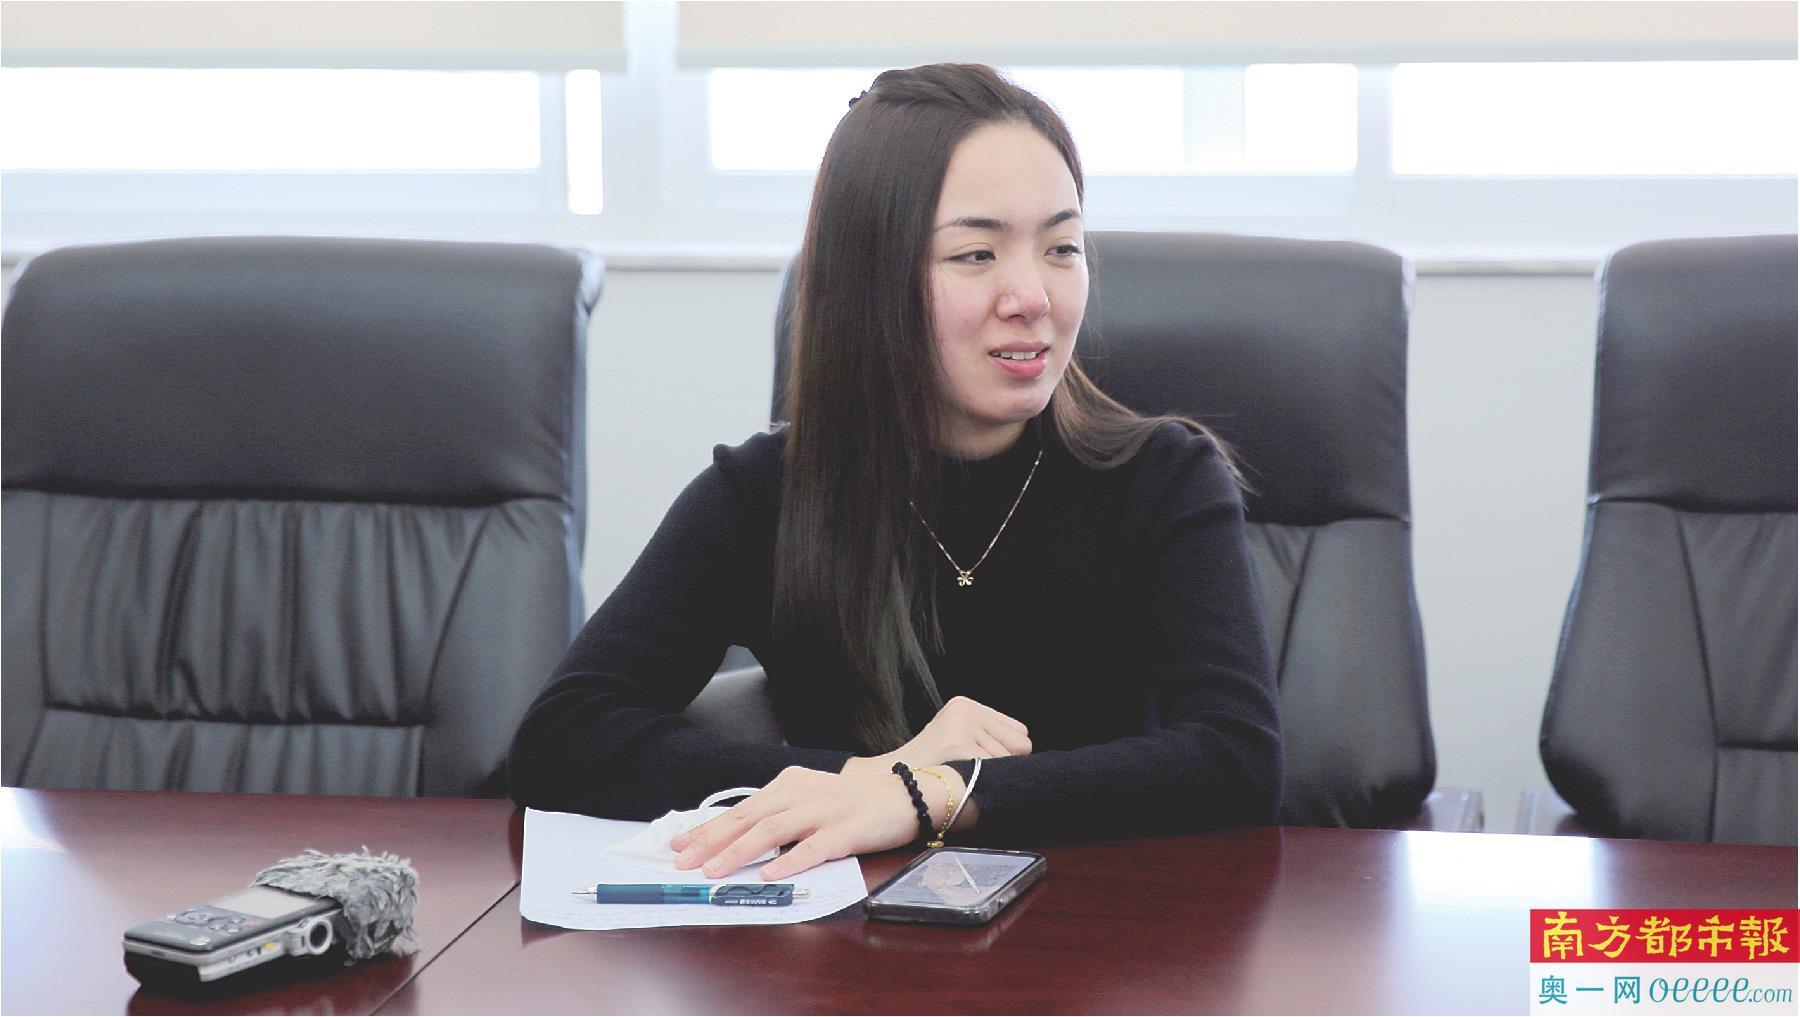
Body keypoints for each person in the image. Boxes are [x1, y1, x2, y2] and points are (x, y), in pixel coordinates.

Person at [508, 63, 1280, 881]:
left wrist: (929, 793)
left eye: (1062, 247)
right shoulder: (764, 493)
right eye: (976, 253)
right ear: (870, 279)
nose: (1033, 296)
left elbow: (1236, 759)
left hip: (1117, 929)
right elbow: (562, 738)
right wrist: (861, 779)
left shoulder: (1164, 478)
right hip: (848, 938)